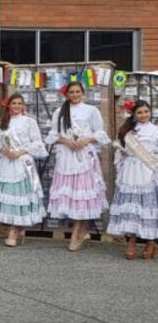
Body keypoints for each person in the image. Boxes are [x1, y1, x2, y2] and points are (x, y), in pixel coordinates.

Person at [45, 82, 110, 252]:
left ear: (83, 93)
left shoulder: (91, 110)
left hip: (85, 156)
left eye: (77, 91)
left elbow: (100, 133)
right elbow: (53, 134)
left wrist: (86, 140)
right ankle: (82, 231)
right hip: (67, 156)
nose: (75, 94)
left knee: (82, 194)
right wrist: (65, 140)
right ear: (67, 94)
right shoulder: (59, 111)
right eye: (71, 92)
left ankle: (76, 233)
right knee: (72, 195)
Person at [0, 93, 48, 247]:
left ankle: (14, 232)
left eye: (19, 103)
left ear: (23, 105)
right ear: (9, 105)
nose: (16, 105)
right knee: (9, 197)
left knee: (21, 196)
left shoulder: (30, 122)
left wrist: (20, 151)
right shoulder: (2, 122)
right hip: (7, 163)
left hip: (23, 163)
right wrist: (4, 150)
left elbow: (37, 143)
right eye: (14, 103)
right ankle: (15, 229)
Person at [108, 100, 158, 260]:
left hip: (148, 171)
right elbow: (120, 152)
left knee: (148, 207)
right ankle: (132, 240)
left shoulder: (155, 130)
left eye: (146, 111)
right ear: (134, 114)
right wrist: (122, 159)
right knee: (131, 207)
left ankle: (150, 241)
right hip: (130, 171)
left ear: (150, 112)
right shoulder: (127, 131)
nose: (143, 115)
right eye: (140, 112)